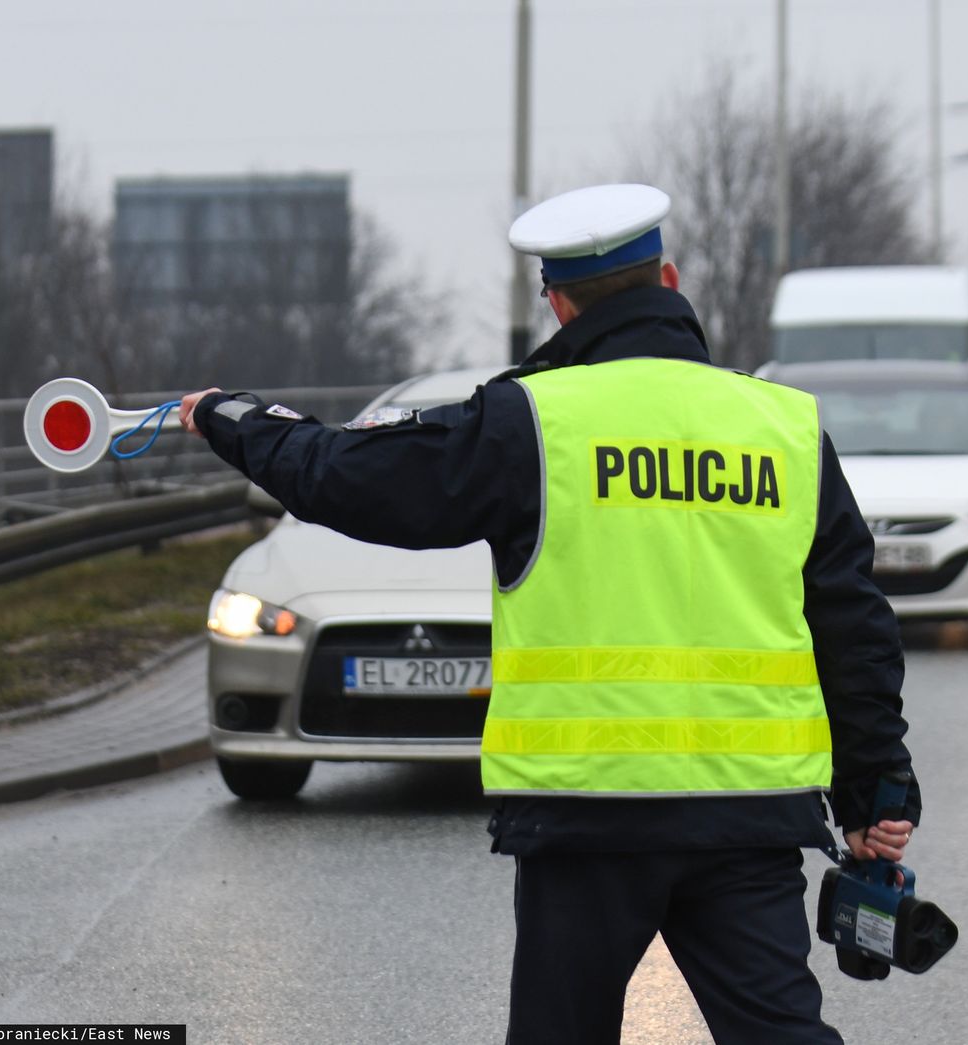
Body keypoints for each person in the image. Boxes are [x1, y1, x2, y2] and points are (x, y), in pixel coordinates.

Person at [179, 183, 919, 1044]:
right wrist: (875, 792)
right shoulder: (783, 428)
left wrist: (240, 421)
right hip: (748, 816)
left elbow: (353, 479)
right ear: (670, 280)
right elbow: (854, 621)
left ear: (558, 303)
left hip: (587, 821)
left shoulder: (532, 421)